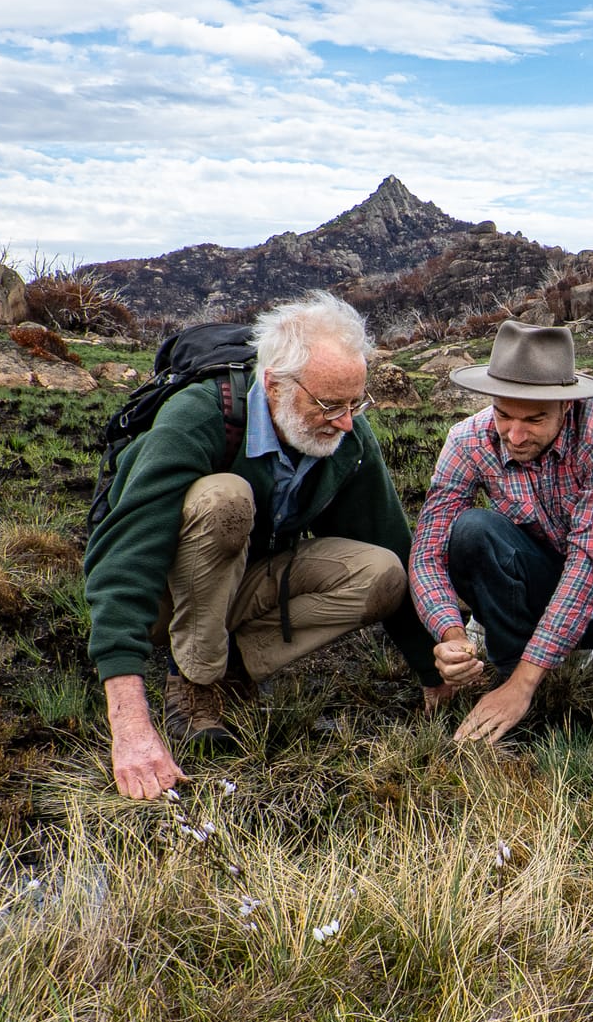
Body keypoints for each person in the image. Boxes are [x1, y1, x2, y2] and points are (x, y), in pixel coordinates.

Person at [85, 290, 438, 798]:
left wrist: (432, 670)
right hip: (168, 599)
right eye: (328, 405)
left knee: (382, 572)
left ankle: (232, 666)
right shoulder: (200, 415)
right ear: (273, 384)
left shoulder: (347, 437)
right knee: (226, 499)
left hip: (243, 586)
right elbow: (125, 559)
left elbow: (388, 539)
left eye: (356, 403)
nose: (345, 421)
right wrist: (129, 723)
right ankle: (194, 680)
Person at [410, 320, 593, 744]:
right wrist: (451, 635)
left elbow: (589, 564)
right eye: (503, 415)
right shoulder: (467, 440)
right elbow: (428, 552)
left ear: (566, 406)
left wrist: (525, 684)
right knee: (471, 529)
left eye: (535, 418)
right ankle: (509, 667)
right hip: (537, 590)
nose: (515, 435)